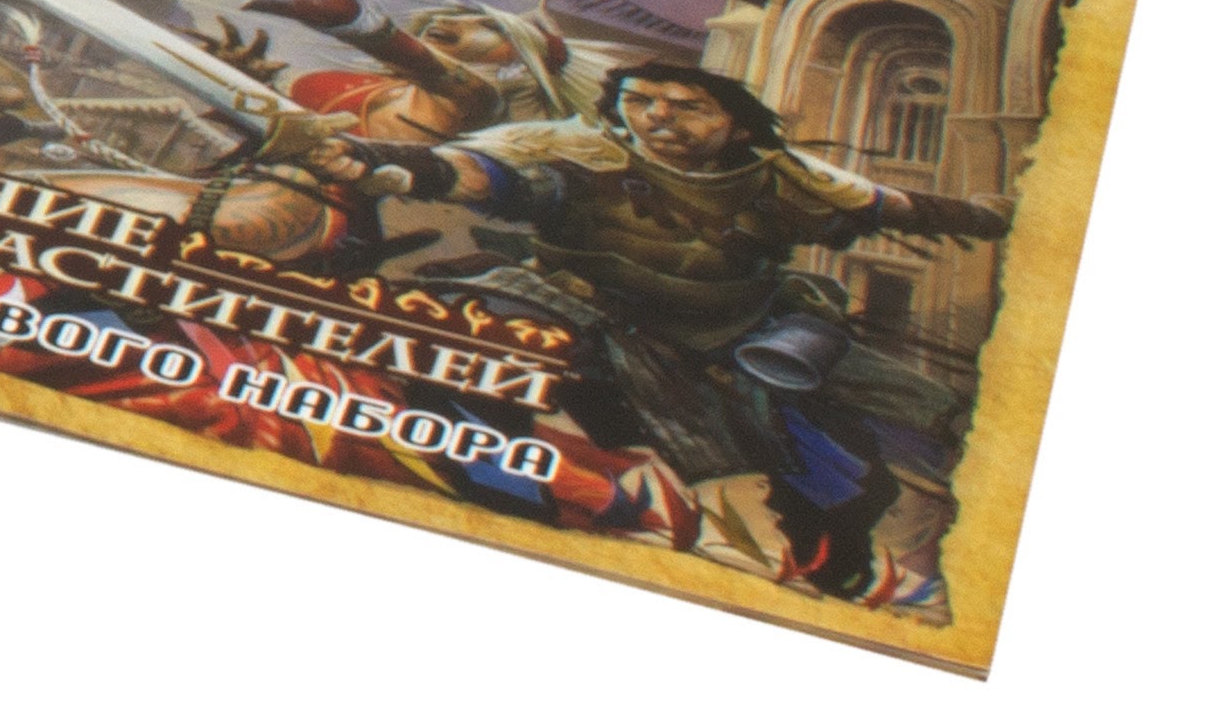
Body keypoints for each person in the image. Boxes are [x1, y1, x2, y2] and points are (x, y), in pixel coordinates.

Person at [345, 64, 1008, 597]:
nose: (657, 117)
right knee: (480, 352)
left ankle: (834, 565)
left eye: (688, 106)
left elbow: (896, 206)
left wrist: (991, 217)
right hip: (584, 313)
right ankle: (507, 509)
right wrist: (398, 167)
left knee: (871, 462)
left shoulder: (785, 183)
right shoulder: (587, 163)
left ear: (736, 126)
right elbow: (491, 178)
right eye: (640, 101)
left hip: (741, 332)